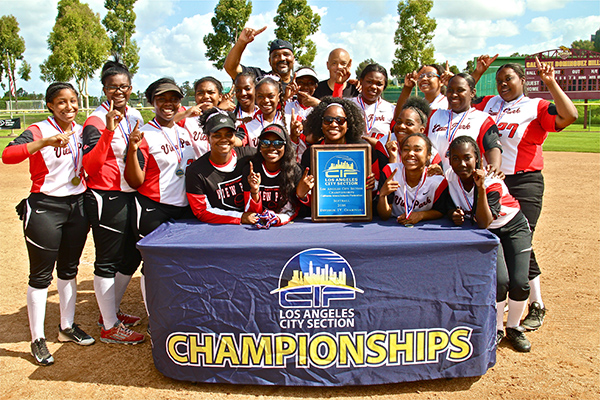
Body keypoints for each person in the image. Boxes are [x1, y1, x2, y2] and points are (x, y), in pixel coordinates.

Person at [472, 57, 578, 330]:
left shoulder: (536, 106)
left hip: (524, 182)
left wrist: (551, 83)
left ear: (523, 81)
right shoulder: (489, 104)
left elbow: (570, 116)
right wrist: (478, 72)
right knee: (499, 240)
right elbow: (461, 98)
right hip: (494, 184)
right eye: (499, 80)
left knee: (520, 241)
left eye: (508, 78)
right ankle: (507, 298)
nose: (503, 84)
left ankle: (537, 303)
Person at [2, 82, 94, 365]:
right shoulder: (39, 129)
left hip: (77, 205)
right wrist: (44, 142)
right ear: (50, 106)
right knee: (41, 276)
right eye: (62, 102)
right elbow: (8, 155)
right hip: (45, 206)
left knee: (69, 269)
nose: (70, 107)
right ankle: (37, 338)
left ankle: (67, 327)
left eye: (73, 101)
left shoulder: (81, 131)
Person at [446, 135, 533, 352]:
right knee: (500, 281)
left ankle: (513, 326)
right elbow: (448, 204)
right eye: (455, 159)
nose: (462, 164)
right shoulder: (450, 176)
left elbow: (485, 221)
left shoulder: (492, 182)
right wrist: (453, 213)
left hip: (511, 226)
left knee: (520, 281)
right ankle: (496, 329)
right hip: (486, 233)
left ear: (478, 159)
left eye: (467, 158)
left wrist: (481, 187)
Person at [125, 78, 198, 333]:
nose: (169, 103)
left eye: (174, 98)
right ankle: (154, 318)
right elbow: (135, 181)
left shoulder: (184, 130)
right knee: (152, 265)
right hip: (154, 208)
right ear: (151, 102)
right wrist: (132, 150)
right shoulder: (145, 134)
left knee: (182, 262)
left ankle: (179, 310)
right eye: (162, 99)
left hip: (185, 209)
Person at [82, 61, 145, 341]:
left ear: (130, 89)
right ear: (104, 89)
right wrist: (108, 131)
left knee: (131, 255)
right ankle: (109, 327)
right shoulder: (95, 121)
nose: (118, 91)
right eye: (112, 87)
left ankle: (110, 312)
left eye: (123, 86)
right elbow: (90, 165)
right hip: (106, 195)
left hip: (131, 195)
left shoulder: (135, 115)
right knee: (107, 259)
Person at [185, 108, 259, 224]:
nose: (224, 139)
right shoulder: (196, 172)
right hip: (220, 228)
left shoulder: (249, 156)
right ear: (207, 137)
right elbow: (202, 211)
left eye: (229, 134)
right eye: (217, 135)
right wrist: (240, 217)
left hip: (253, 221)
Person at [298, 97, 375, 205]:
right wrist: (302, 194)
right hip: (324, 214)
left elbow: (377, 191)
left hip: (356, 214)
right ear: (320, 124)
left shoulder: (362, 150)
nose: (333, 124)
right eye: (327, 120)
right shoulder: (310, 154)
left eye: (340, 120)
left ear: (349, 123)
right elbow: (309, 199)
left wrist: (372, 184)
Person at [425, 73, 503, 174]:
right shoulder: (433, 115)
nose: (454, 95)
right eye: (450, 90)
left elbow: (492, 147)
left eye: (460, 90)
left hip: (466, 183)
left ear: (472, 92)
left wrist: (494, 165)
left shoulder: (482, 119)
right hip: (436, 181)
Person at [377, 133, 448, 226]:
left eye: (417, 150)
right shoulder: (390, 172)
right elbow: (384, 216)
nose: (410, 153)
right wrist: (382, 195)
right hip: (393, 225)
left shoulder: (437, 181)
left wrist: (420, 215)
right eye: (406, 149)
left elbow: (441, 211)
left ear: (428, 155)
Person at [242, 124, 303, 227]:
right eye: (265, 143)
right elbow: (251, 214)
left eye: (278, 143)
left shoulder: (294, 170)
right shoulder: (251, 169)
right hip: (258, 226)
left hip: (285, 224)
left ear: (286, 147)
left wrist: (277, 218)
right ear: (260, 146)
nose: (271, 147)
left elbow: (293, 208)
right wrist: (254, 191)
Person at [224, 26, 294, 90]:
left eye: (286, 54)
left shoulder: (300, 84)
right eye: (276, 56)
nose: (282, 58)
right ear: (270, 61)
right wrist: (241, 43)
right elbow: (231, 68)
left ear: (293, 59)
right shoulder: (259, 78)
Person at [175, 76, 228, 156]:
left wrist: (217, 110)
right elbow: (166, 120)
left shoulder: (227, 115)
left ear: (220, 97)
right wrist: (186, 114)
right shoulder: (186, 112)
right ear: (195, 96)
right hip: (194, 166)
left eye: (211, 93)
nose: (206, 96)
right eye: (200, 93)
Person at [351, 63, 395, 146]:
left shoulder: (391, 109)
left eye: (379, 84)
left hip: (381, 157)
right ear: (361, 81)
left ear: (384, 86)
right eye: (369, 82)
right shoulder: (349, 105)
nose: (374, 87)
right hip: (353, 156)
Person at [237, 76, 286, 148]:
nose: (266, 100)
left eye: (271, 96)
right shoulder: (248, 126)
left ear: (278, 97)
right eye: (260, 96)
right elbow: (238, 141)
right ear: (255, 97)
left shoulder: (289, 120)